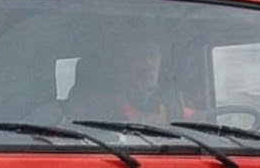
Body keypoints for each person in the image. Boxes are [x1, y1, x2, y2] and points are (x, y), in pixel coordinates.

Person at [59, 39, 190, 127]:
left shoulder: (174, 100)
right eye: (140, 57)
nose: (149, 64)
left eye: (153, 56)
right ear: (120, 65)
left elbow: (198, 129)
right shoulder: (91, 104)